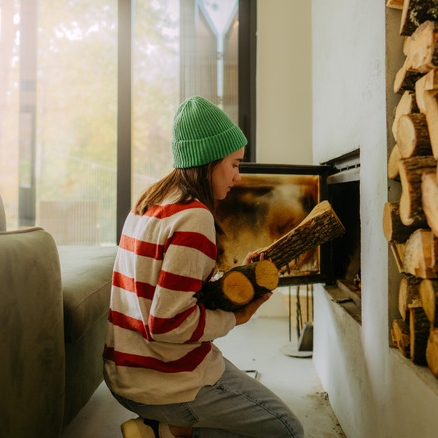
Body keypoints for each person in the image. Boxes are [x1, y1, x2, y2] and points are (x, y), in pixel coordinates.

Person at [104, 96, 304, 438]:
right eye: (235, 164)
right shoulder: (194, 218)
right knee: (288, 431)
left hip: (125, 369)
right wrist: (236, 318)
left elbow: (171, 291)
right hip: (162, 380)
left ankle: (162, 430)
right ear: (209, 162)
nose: (238, 177)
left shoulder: (150, 202)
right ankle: (168, 431)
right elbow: (167, 325)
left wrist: (240, 278)